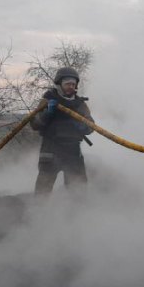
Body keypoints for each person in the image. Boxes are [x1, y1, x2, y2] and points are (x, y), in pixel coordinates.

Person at [30, 67, 94, 196]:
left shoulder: (80, 104)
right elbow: (35, 124)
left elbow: (91, 126)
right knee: (43, 189)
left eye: (73, 84)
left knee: (78, 189)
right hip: (50, 148)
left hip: (73, 150)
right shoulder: (47, 100)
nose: (71, 86)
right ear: (59, 84)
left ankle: (77, 214)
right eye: (67, 84)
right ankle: (37, 213)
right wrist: (47, 113)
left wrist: (82, 126)